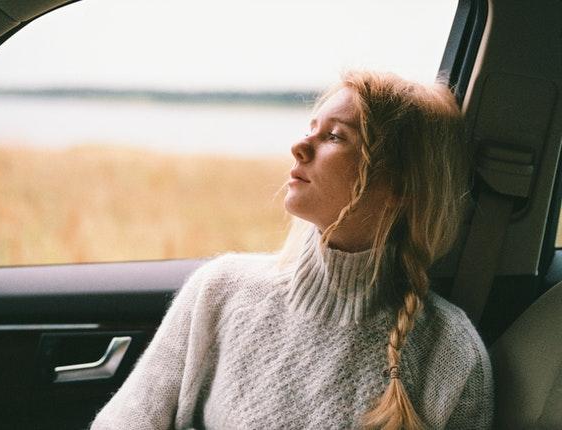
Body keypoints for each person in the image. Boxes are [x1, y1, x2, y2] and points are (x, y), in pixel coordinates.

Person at [90, 70, 494, 429]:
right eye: (310, 128)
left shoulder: (450, 352)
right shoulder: (221, 290)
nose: (299, 147)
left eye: (335, 136)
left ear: (400, 187)